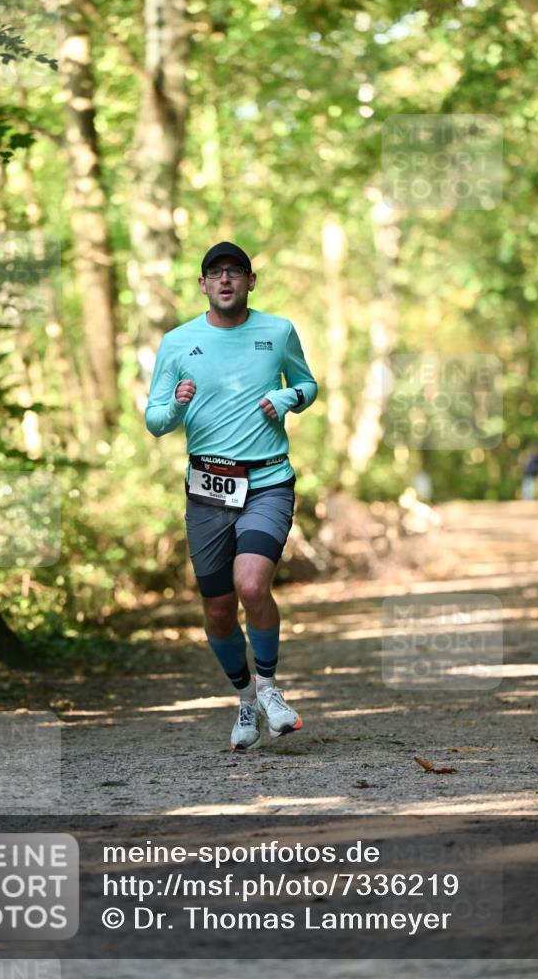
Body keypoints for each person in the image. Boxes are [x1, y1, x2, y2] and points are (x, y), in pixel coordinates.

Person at [145, 241, 318, 751]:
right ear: (202, 285)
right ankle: (244, 698)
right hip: (207, 490)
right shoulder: (178, 342)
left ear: (250, 281)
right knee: (218, 609)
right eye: (215, 274)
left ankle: (269, 689)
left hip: (268, 481)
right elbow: (155, 422)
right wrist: (176, 406)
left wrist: (288, 397)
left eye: (235, 273)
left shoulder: (277, 331)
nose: (225, 280)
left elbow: (307, 385)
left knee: (250, 584)